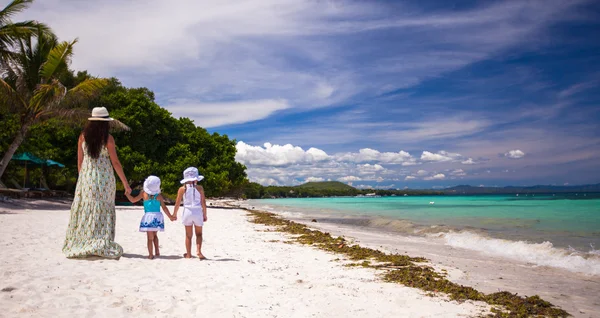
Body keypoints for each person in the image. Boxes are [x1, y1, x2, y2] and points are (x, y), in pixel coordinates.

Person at [63, 107, 131, 259]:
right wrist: (125, 184)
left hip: (86, 177)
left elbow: (80, 162)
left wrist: (83, 180)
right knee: (102, 209)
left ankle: (84, 241)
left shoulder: (82, 137)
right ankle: (100, 241)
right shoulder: (108, 139)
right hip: (104, 179)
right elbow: (115, 162)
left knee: (86, 209)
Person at [125, 176, 175, 259]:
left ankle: (151, 255)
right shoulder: (158, 196)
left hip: (148, 217)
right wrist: (170, 216)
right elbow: (164, 207)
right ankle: (157, 251)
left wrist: (127, 194)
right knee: (155, 235)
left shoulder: (143, 194)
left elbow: (133, 200)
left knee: (149, 238)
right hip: (157, 217)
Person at [172, 167, 207, 259]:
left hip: (187, 211)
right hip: (197, 211)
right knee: (199, 234)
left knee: (188, 235)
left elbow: (177, 203)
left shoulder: (182, 189)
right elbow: (203, 202)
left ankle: (188, 254)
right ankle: (198, 251)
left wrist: (174, 214)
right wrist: (205, 214)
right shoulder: (200, 188)